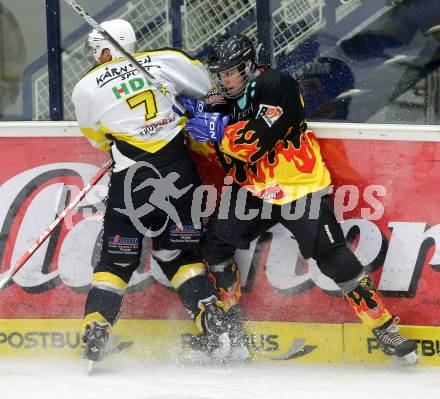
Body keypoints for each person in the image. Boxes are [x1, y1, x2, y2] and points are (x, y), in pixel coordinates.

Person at [179, 34, 418, 364]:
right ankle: (232, 336)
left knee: (333, 257)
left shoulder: (277, 86)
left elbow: (253, 143)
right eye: (220, 74)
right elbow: (210, 131)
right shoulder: (223, 98)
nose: (225, 80)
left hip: (298, 187)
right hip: (252, 190)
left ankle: (385, 329)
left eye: (231, 72)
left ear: (248, 66)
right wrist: (187, 116)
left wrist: (217, 128)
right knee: (215, 247)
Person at [72, 19, 239, 366]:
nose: (96, 58)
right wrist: (188, 110)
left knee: (116, 261)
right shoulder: (167, 59)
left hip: (132, 181)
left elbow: (96, 139)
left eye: (96, 52)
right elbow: (211, 90)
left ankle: (97, 326)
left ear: (104, 50)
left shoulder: (86, 86)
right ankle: (208, 313)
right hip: (179, 173)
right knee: (178, 256)